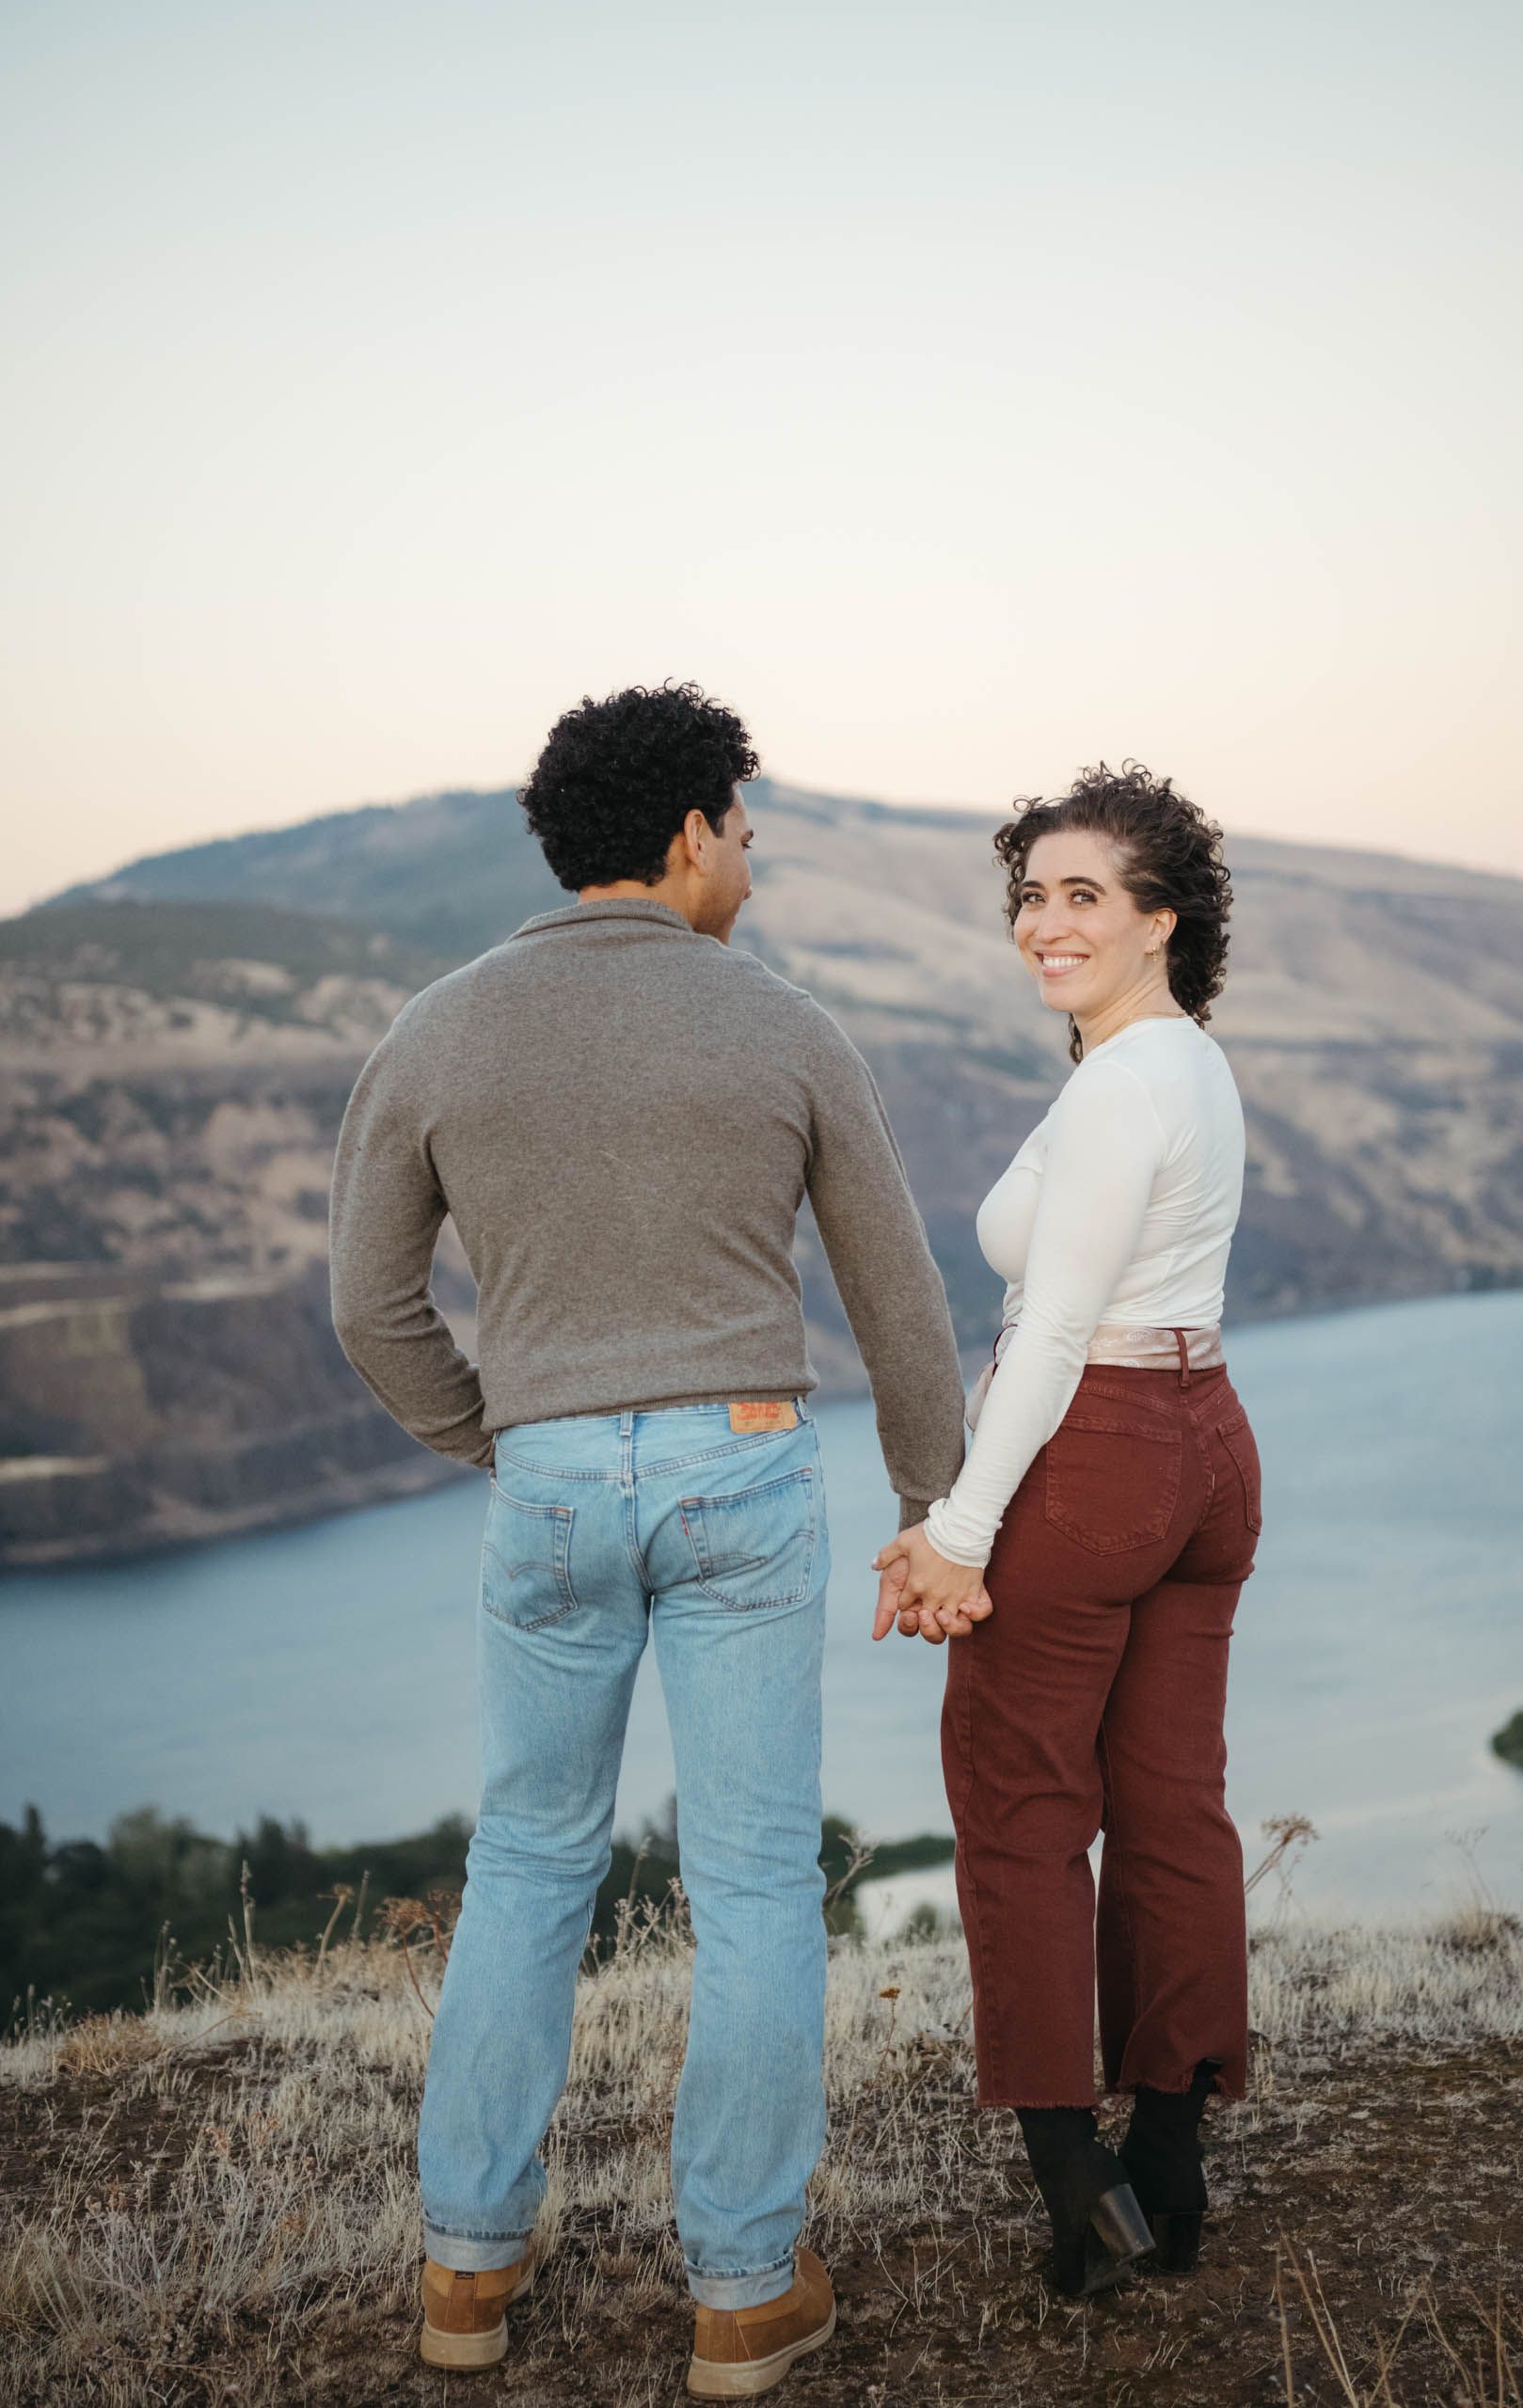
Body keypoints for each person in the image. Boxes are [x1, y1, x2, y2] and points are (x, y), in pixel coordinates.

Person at [328, 682, 974, 2389]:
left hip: (544, 1478)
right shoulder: (785, 1025)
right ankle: (744, 2294)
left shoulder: (437, 1030)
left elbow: (367, 1303)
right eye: (744, 834)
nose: (750, 868)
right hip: (744, 1469)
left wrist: (498, 1435)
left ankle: (468, 2269)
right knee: (754, 1882)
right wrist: (934, 1502)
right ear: (688, 834)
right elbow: (898, 1301)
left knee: (529, 1861)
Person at [873, 760, 1261, 2298]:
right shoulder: (1184, 1064)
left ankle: (1068, 2177)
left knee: (1022, 1801)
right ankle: (1170, 2158)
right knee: (1174, 1804)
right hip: (1207, 1440)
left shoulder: (1123, 1083)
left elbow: (1050, 1333)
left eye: (1084, 894)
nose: (1045, 919)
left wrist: (958, 1532)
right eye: (1031, 892)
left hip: (1095, 1448)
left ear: (1160, 918)